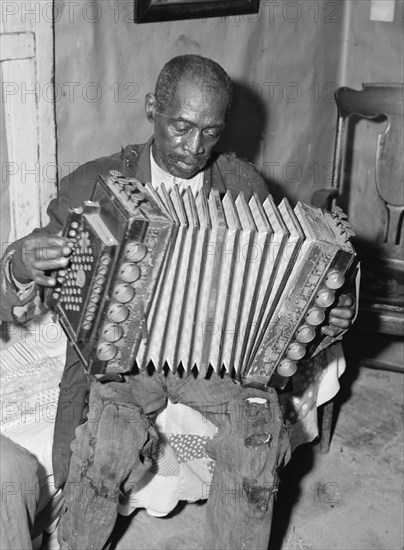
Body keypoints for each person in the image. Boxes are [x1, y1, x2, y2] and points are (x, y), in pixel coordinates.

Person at [1, 55, 355, 550]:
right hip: (124, 360)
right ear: (152, 109)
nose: (194, 148)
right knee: (110, 441)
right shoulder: (96, 182)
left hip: (217, 358)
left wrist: (331, 318)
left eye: (210, 132)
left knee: (257, 435)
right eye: (182, 127)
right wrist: (18, 264)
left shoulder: (242, 185)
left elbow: (289, 291)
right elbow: (25, 278)